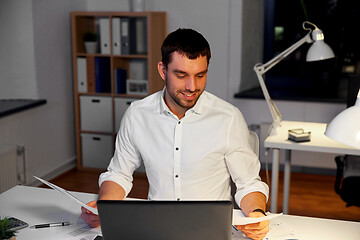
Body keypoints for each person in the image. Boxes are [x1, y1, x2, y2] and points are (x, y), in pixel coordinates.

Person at [81, 28, 269, 240]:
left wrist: (256, 214)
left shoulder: (228, 117)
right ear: (162, 70)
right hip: (157, 229)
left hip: (211, 232)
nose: (192, 86)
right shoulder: (137, 114)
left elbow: (248, 183)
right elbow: (119, 174)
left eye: (200, 75)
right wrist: (103, 208)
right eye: (181, 75)